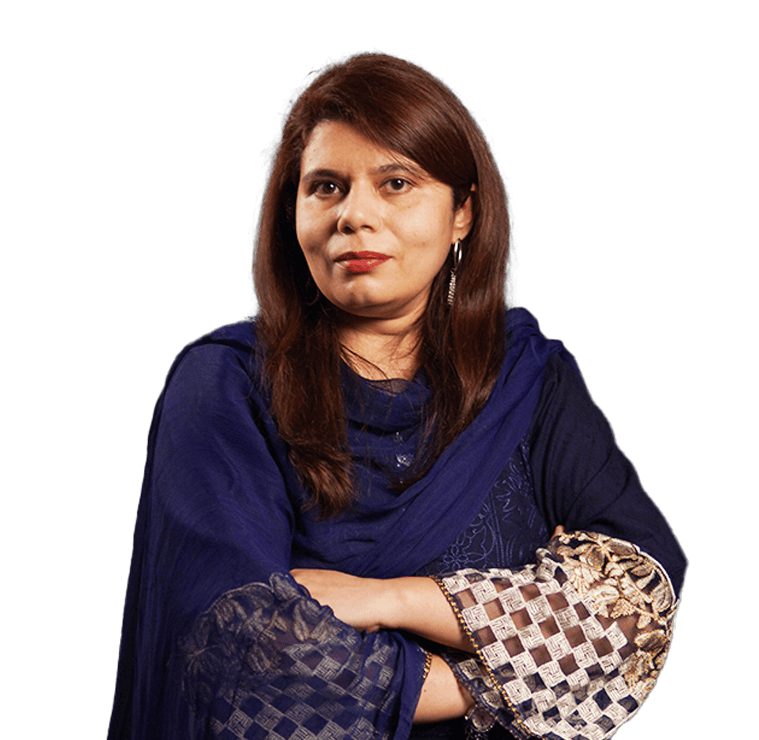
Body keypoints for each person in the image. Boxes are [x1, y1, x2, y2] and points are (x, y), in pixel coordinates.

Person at [107, 53, 687, 740]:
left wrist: (394, 600)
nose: (355, 215)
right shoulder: (226, 385)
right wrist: (501, 672)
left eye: (396, 183)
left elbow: (637, 600)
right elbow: (246, 654)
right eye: (326, 187)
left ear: (462, 213)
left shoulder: (529, 379)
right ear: (292, 215)